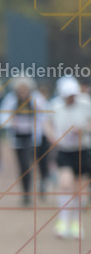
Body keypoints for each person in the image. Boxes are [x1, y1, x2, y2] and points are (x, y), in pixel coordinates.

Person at [0, 76, 55, 207]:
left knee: (41, 162)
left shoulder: (36, 98)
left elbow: (46, 114)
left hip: (35, 137)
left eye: (25, 89)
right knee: (24, 166)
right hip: (18, 138)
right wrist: (10, 122)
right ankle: (26, 194)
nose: (22, 91)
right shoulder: (11, 99)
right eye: (20, 89)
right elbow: (2, 117)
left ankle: (43, 182)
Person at [49, 76, 91, 239]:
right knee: (65, 184)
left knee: (79, 189)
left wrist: (82, 129)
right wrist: (53, 137)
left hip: (82, 150)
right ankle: (62, 222)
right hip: (64, 150)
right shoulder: (55, 106)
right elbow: (47, 123)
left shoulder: (86, 103)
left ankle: (76, 223)